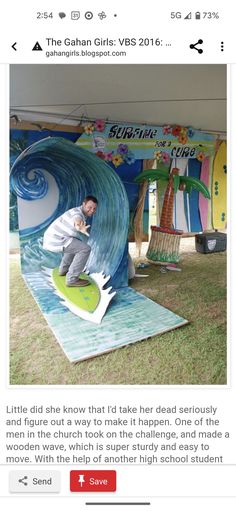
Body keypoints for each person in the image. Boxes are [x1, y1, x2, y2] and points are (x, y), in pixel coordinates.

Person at [43, 196, 98, 287]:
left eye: (94, 208)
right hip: (56, 239)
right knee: (85, 249)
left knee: (75, 244)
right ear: (83, 204)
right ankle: (72, 279)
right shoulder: (77, 213)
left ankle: (63, 270)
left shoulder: (78, 211)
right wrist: (79, 227)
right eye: (89, 207)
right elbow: (77, 220)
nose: (92, 210)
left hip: (53, 238)